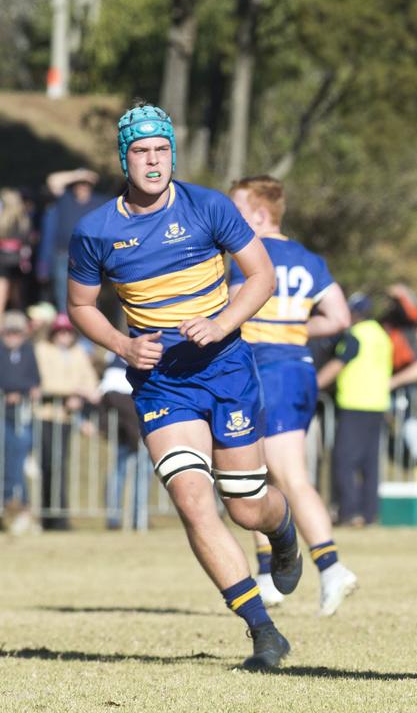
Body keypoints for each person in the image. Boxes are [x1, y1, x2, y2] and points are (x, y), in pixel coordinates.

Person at [66, 103, 300, 669]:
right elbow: (80, 306)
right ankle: (262, 631)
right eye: (142, 151)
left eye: (161, 149)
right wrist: (122, 346)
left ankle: (283, 528)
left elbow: (261, 275)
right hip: (162, 385)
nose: (153, 161)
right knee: (193, 500)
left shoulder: (209, 207)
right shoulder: (95, 229)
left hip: (226, 370)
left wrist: (221, 323)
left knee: (245, 508)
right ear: (125, 159)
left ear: (173, 152)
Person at [228, 175, 358, 615]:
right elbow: (339, 317)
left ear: (259, 215)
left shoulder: (243, 257)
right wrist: (296, 328)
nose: (229, 218)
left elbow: (225, 312)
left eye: (237, 209)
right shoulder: (307, 259)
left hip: (268, 371)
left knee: (285, 475)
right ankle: (267, 576)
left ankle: (331, 566)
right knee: (254, 476)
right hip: (297, 369)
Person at [317, 293, 392, 526]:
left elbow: (339, 363)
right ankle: (369, 514)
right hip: (378, 403)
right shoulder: (382, 336)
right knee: (370, 464)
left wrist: (312, 385)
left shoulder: (355, 335)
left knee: (344, 461)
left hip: (354, 402)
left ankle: (348, 512)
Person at [33, 313, 99, 530]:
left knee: (60, 465)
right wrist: (72, 391)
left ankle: (60, 516)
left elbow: (90, 383)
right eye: (60, 331)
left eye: (67, 332)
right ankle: (48, 516)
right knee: (48, 465)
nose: (64, 336)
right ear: (54, 332)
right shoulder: (42, 350)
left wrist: (80, 394)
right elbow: (43, 383)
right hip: (46, 416)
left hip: (66, 419)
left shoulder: (78, 353)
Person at [40, 169, 108, 312]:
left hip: (89, 257)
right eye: (78, 183)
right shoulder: (65, 199)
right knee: (63, 294)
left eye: (85, 184)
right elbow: (52, 181)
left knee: (89, 297)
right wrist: (78, 174)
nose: (81, 187)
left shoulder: (99, 202)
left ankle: (87, 330)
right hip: (63, 255)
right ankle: (66, 328)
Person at [99, 354, 148, 531]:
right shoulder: (117, 356)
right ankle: (115, 518)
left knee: (141, 472)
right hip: (126, 430)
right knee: (120, 471)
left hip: (139, 427)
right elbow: (111, 393)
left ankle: (138, 517)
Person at [0, 311, 38, 533]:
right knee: (7, 457)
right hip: (3, 412)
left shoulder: (28, 352)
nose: (13, 337)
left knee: (19, 456)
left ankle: (16, 502)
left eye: (17, 333)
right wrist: (8, 391)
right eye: (9, 332)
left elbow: (35, 380)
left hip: (22, 414)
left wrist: (23, 391)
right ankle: (9, 500)